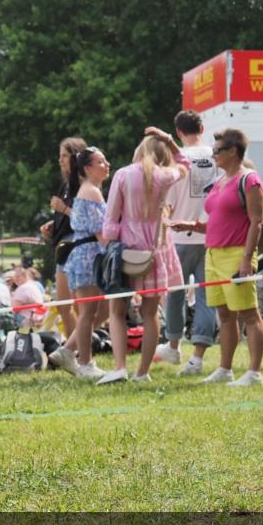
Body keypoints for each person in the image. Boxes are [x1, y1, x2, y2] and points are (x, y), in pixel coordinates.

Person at [170, 128, 263, 386]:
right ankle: (225, 369)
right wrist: (190, 225)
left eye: (217, 151)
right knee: (224, 316)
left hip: (237, 254)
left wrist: (247, 259)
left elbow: (256, 222)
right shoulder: (221, 180)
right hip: (212, 253)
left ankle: (254, 372)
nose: (213, 155)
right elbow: (217, 220)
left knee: (249, 314)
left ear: (233, 151)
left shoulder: (250, 180)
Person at [98, 129, 190, 385]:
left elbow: (111, 217)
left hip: (127, 248)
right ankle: (143, 372)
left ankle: (119, 368)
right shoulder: (164, 175)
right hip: (156, 248)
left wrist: (110, 241)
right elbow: (184, 164)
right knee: (150, 313)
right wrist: (171, 141)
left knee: (117, 310)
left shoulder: (124, 175)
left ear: (140, 151)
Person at [154, 111, 219, 376]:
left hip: (178, 236)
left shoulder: (175, 161)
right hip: (210, 235)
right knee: (206, 297)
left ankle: (173, 345)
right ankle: (198, 356)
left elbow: (165, 206)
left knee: (175, 295)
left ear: (179, 133)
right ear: (202, 128)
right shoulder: (217, 156)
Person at [49, 146, 111, 380]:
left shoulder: (91, 189)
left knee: (100, 310)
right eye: (101, 162)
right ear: (87, 168)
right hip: (88, 256)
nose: (107, 165)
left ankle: (67, 350)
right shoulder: (91, 191)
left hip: (85, 254)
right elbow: (100, 232)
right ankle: (85, 362)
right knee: (88, 312)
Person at [40, 137, 87, 342]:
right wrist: (54, 222)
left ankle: (80, 348)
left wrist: (63, 209)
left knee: (79, 304)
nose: (60, 161)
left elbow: (87, 217)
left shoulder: (84, 185)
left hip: (77, 247)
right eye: (59, 156)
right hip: (63, 247)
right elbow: (68, 216)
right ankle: (74, 347)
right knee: (63, 304)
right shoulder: (66, 185)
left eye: (65, 156)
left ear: (76, 157)